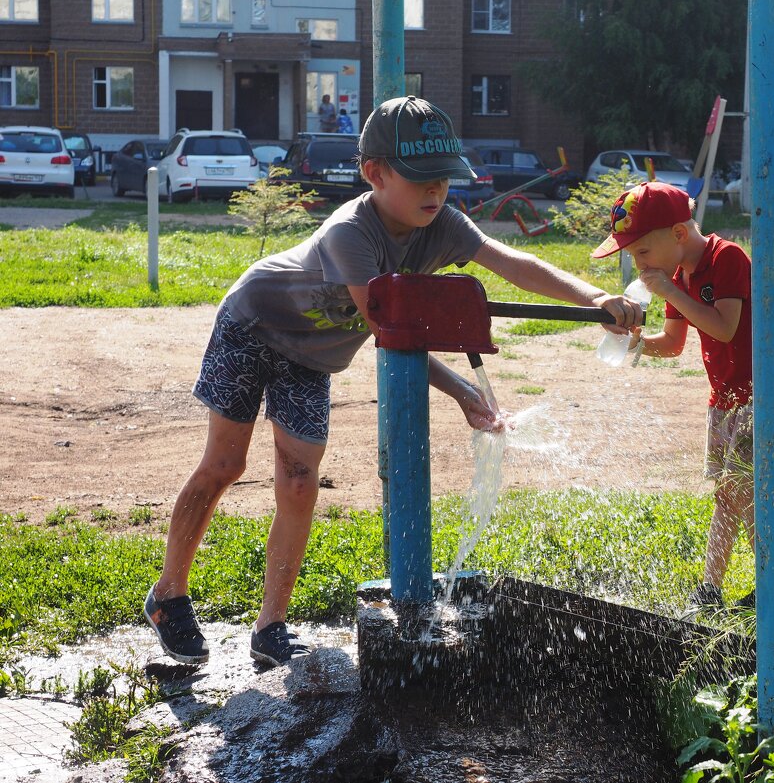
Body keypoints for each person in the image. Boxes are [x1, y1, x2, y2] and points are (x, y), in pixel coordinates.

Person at [144, 96, 643, 668]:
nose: (436, 192)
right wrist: (461, 391)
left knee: (301, 481)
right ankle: (169, 596)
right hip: (252, 324)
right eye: (421, 179)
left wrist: (596, 297)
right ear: (374, 174)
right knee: (225, 465)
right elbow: (392, 336)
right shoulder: (349, 235)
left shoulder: (443, 225)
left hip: (310, 356)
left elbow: (511, 263)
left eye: (445, 180)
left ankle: (270, 627)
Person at [592, 181, 753, 615]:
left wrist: (670, 291)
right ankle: (716, 592)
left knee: (743, 495)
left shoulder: (726, 258)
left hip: (759, 399)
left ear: (678, 235)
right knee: (730, 494)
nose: (638, 264)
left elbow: (724, 328)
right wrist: (635, 343)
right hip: (723, 400)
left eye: (642, 253)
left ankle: (764, 587)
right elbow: (674, 343)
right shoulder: (679, 275)